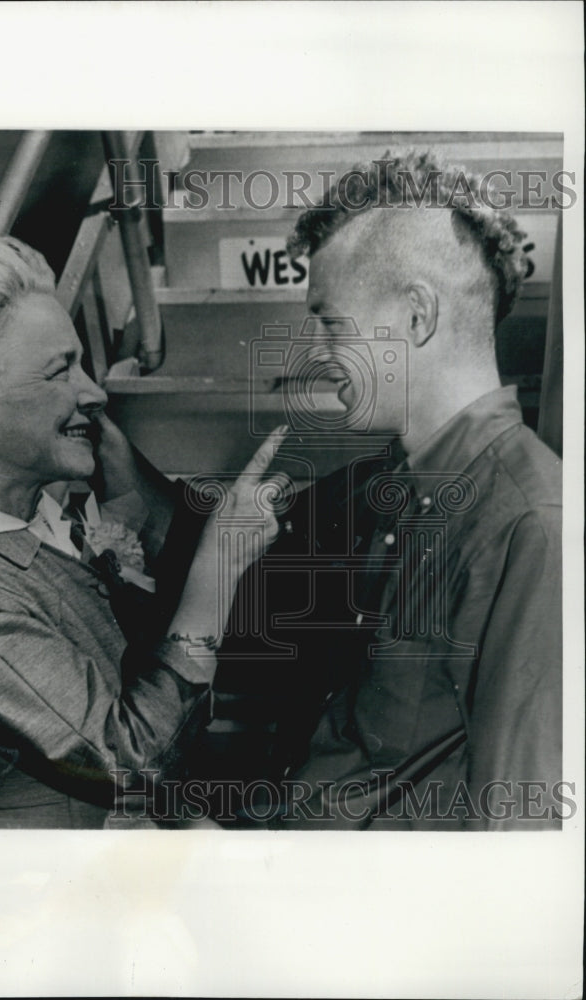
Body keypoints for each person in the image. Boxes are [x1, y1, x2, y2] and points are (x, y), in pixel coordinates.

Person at [0, 233, 285, 829]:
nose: (93, 391)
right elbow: (129, 762)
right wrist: (217, 570)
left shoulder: (32, 513)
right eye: (60, 372)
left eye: (83, 364)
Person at [211, 152, 563, 830]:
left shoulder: (530, 525)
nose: (316, 351)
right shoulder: (397, 485)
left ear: (415, 317)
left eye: (332, 324)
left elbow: (518, 833)